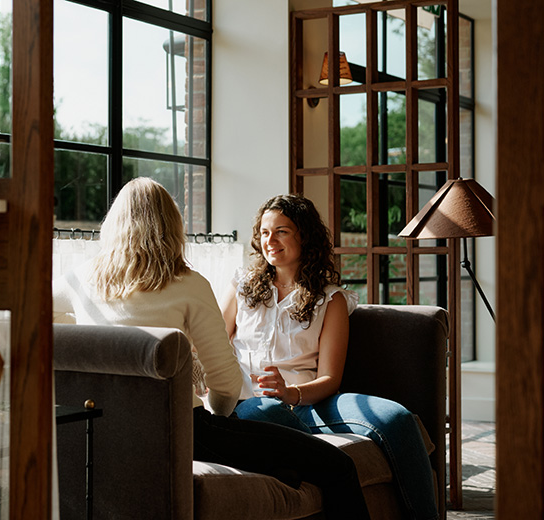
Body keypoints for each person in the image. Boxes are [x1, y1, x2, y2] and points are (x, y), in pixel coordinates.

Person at [54, 178, 371, 519]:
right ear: (173, 227)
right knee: (337, 465)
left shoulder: (78, 280)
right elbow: (225, 385)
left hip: (95, 426)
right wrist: (221, 423)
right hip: (180, 430)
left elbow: (34, 319)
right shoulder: (189, 284)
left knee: (281, 459)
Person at [221, 193, 438, 520]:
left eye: (282, 231)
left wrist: (290, 393)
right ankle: (319, 456)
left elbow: (330, 379)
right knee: (263, 412)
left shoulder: (330, 298)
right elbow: (215, 345)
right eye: (265, 232)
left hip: (310, 403)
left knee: (398, 418)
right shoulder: (242, 287)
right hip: (250, 403)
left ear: (304, 235)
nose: (270, 240)